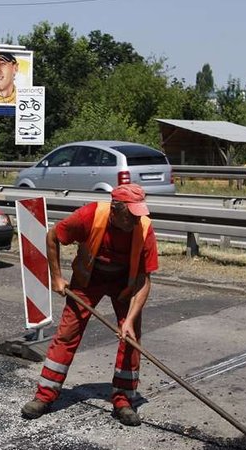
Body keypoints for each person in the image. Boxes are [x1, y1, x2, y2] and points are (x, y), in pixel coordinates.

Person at [21, 183, 159, 427]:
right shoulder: (90, 215)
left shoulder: (144, 227)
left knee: (131, 337)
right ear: (116, 210)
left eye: (140, 213)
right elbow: (53, 236)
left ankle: (123, 400)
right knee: (67, 333)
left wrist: (128, 321)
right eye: (132, 215)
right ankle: (45, 395)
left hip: (124, 284)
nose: (137, 220)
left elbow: (144, 281)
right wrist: (57, 277)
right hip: (88, 280)